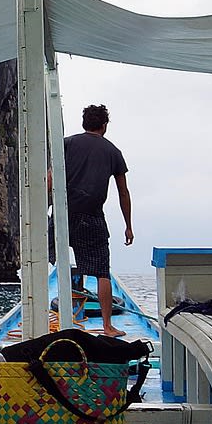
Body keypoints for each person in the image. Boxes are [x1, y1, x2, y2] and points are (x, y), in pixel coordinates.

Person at [52, 103, 132, 335]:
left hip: (62, 214)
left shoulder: (66, 144)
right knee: (101, 272)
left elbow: (49, 178)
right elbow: (123, 192)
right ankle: (107, 326)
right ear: (104, 126)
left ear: (84, 123)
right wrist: (128, 226)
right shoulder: (113, 152)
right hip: (92, 217)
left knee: (50, 259)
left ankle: (47, 317)